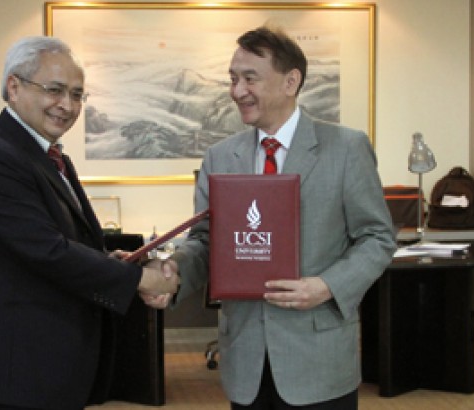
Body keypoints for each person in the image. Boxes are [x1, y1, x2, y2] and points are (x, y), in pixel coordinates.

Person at [150, 26, 396, 409]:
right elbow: (204, 241)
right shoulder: (220, 157)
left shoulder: (346, 148)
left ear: (290, 81)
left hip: (318, 359)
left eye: (251, 78)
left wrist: (327, 285)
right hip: (245, 358)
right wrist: (174, 272)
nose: (237, 91)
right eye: (233, 79)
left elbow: (377, 238)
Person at [0, 36, 178, 410]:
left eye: (77, 94)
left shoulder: (41, 153)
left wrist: (109, 260)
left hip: (42, 365)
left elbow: (57, 241)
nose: (67, 106)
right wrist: (140, 279)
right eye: (54, 90)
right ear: (13, 87)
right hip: (11, 373)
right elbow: (47, 251)